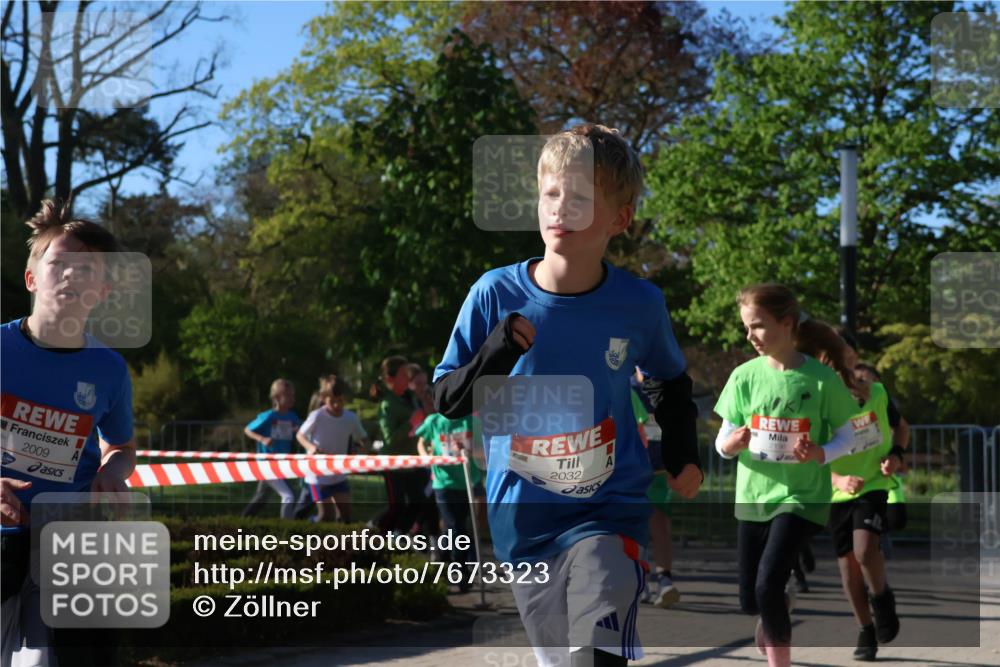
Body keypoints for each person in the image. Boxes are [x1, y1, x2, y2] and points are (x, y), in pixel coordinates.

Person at [434, 124, 703, 667]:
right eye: (551, 193)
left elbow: (668, 380)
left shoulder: (639, 303)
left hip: (609, 512)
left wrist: (681, 453)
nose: (560, 209)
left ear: (618, 219)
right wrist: (494, 353)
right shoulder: (495, 293)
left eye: (580, 197)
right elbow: (446, 398)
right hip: (524, 521)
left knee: (595, 656)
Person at [2, 200, 136, 667]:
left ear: (101, 292)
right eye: (59, 263)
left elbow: (120, 446)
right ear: (32, 278)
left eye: (86, 271)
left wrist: (112, 471)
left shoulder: (109, 369)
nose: (71, 277)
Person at [714, 284, 858, 667]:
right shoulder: (744, 376)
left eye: (758, 326)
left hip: (801, 497)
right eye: (746, 327)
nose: (750, 336)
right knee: (752, 599)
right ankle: (778, 600)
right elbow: (721, 442)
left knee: (766, 584)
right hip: (753, 496)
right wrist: (733, 443)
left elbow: (850, 435)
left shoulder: (821, 379)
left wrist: (822, 452)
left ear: (787, 323)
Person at [826, 355, 906, 660]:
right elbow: (810, 456)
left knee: (864, 550)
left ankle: (882, 597)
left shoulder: (879, 395)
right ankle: (865, 629)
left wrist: (896, 455)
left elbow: (902, 428)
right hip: (836, 491)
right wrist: (838, 479)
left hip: (872, 485)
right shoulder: (823, 405)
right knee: (847, 568)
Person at [415, 411, 483, 590]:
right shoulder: (434, 421)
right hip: (442, 482)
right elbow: (421, 441)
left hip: (467, 481)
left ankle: (440, 558)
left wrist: (471, 452)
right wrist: (425, 457)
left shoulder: (472, 421)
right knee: (456, 526)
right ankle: (461, 571)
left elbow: (483, 450)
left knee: (455, 526)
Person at [631, 372, 680, 609]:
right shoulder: (624, 385)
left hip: (660, 467)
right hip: (632, 468)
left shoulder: (668, 388)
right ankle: (641, 581)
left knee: (659, 522)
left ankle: (665, 580)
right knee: (633, 525)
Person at [297, 378, 368, 523]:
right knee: (326, 516)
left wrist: (364, 452)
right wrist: (311, 448)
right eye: (332, 400)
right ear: (323, 398)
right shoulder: (317, 416)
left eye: (340, 400)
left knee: (346, 515)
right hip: (318, 475)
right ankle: (308, 531)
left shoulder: (351, 418)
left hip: (338, 475)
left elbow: (364, 439)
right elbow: (300, 435)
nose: (337, 405)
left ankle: (338, 544)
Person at [369, 356, 425, 534]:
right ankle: (371, 531)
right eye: (403, 375)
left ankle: (397, 534)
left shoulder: (409, 398)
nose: (408, 378)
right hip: (393, 464)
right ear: (389, 379)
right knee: (396, 508)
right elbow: (390, 439)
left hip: (412, 462)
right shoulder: (388, 404)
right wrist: (411, 422)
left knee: (419, 503)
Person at [241, 379, 300, 520]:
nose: (292, 398)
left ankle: (241, 522)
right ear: (277, 398)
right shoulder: (268, 416)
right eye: (289, 395)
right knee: (289, 496)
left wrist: (298, 430)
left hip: (281, 464)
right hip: (267, 464)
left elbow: (302, 430)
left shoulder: (292, 417)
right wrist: (262, 439)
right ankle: (287, 531)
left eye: (293, 395)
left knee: (261, 498)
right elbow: (247, 429)